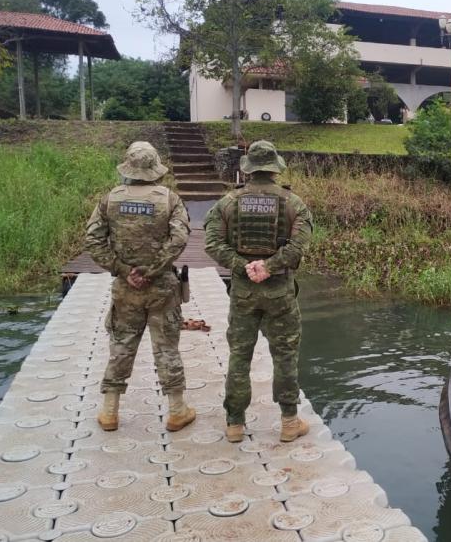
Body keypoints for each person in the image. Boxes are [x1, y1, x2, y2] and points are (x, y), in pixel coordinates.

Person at [204, 140, 313, 443]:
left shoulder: (227, 203)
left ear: (248, 169)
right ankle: (289, 422)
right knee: (285, 355)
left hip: (243, 293)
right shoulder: (293, 203)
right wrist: (271, 266)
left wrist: (242, 266)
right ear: (275, 168)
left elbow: (212, 244)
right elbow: (298, 247)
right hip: (280, 293)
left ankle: (235, 424)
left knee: (240, 355)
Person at [85, 141, 196, 432]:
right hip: (162, 288)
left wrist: (124, 270)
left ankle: (109, 412)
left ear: (128, 168)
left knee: (121, 346)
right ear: (155, 168)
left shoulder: (110, 199)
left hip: (126, 288)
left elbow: (93, 241)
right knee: (166, 348)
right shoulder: (169, 199)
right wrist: (154, 269)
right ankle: (177, 410)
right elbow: (180, 238)